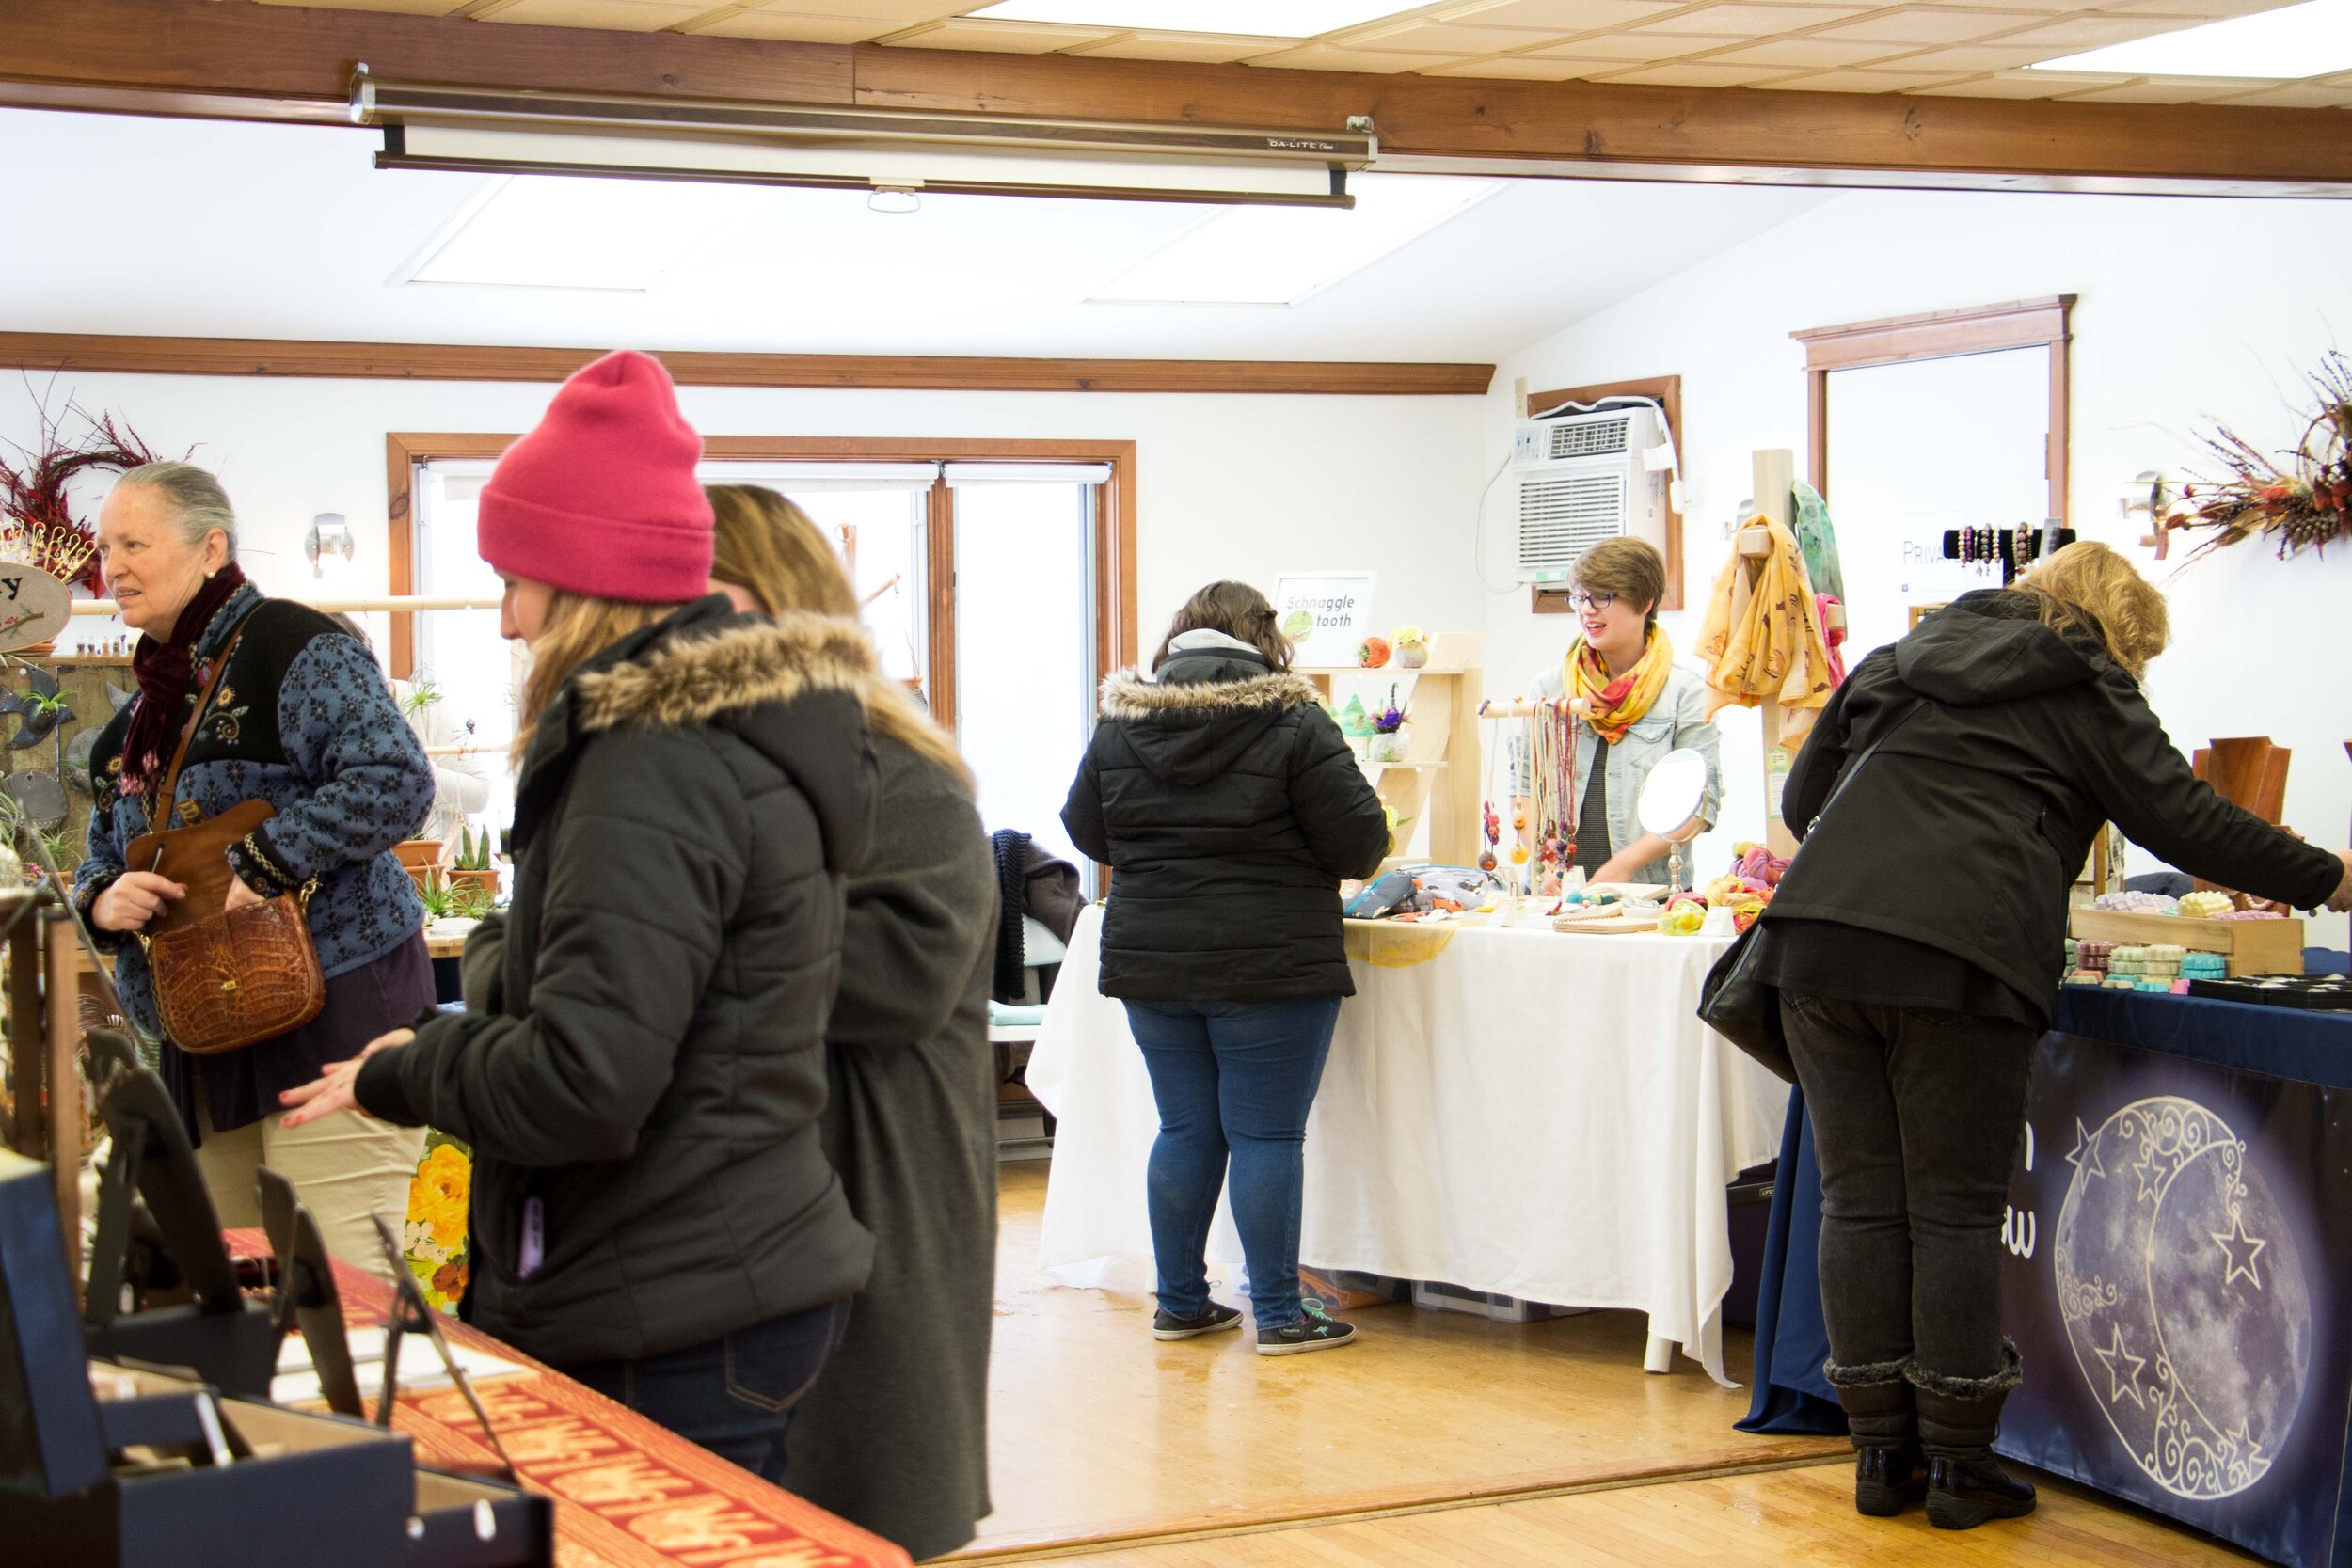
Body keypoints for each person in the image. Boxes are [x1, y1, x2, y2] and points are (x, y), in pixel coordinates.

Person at [279, 352, 881, 1481]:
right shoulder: (693, 741)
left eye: (517, 581)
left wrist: (411, 1064)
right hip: (698, 1273)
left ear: (589, 580)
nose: (506, 621)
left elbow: (586, 1077)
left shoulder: (650, 762)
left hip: (676, 1301)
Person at [1748, 542, 2352, 1530]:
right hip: (1958, 950)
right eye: (2139, 659)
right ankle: (1956, 1464)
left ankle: (1876, 1453)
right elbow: (2188, 820)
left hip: (1814, 946)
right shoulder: (2085, 681)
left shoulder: (1903, 656)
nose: (2137, 677)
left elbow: (1800, 799)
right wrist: (2330, 875)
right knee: (1949, 1211)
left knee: (1859, 1204)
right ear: (2113, 633)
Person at [706, 484, 996, 1560]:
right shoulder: (706, 763)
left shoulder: (893, 765)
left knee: (859, 1499)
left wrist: (677, 940)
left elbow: (900, 972)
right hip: (759, 1195)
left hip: (875, 1182)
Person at [74, 461, 437, 1281]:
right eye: (105, 547)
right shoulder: (132, 725)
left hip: (334, 1016)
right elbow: (100, 855)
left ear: (211, 547)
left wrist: (267, 859)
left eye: (134, 542)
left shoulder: (293, 645)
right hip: (206, 1034)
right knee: (230, 1294)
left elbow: (395, 779)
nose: (114, 565)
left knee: (344, 1292)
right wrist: (104, 898)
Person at [1061, 581, 1389, 1355]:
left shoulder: (1122, 720)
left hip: (1153, 960)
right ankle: (1279, 1313)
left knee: (1185, 1128)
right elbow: (1359, 844)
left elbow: (1085, 828)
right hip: (1271, 960)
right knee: (1267, 1135)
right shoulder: (1295, 719)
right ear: (1263, 638)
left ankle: (1181, 1303)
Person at [1515, 538, 1720, 888]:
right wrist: (1543, 862)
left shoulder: (1685, 693)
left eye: (1602, 597)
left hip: (1649, 894)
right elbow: (1525, 787)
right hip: (1557, 893)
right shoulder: (1550, 688)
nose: (1586, 610)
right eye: (1579, 597)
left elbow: (1700, 805)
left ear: (1646, 602)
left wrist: (1623, 866)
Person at [328, 614, 493, 847]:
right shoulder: (320, 729)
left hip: (434, 873)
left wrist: (414, 770)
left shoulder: (425, 707)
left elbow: (479, 793)